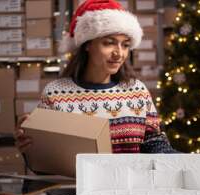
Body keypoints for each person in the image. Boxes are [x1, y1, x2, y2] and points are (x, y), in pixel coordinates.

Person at [15, 0, 177, 158]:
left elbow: (155, 143)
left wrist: (188, 162)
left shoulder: (137, 91)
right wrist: (29, 147)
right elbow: (45, 161)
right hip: (77, 185)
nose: (119, 53)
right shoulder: (56, 93)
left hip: (128, 184)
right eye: (109, 43)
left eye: (125, 45)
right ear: (87, 44)